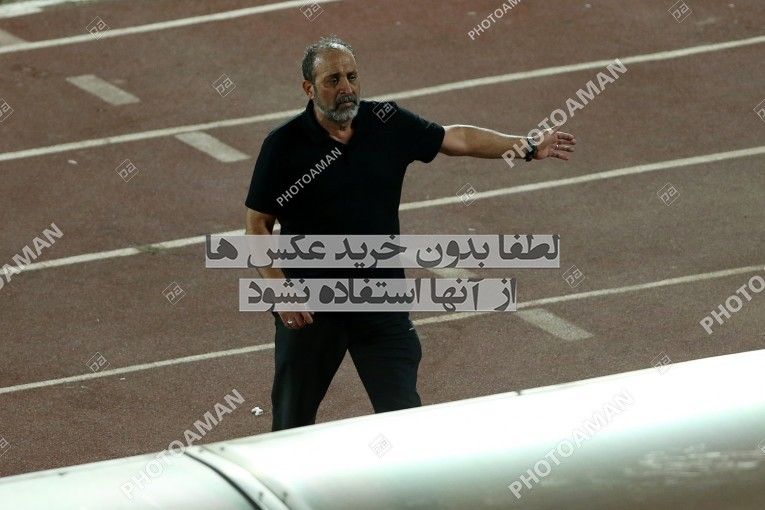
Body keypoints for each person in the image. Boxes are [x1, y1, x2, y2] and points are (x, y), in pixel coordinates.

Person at [245, 36, 576, 431]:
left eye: (352, 76)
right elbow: (257, 224)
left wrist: (527, 146)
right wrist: (280, 290)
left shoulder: (386, 123)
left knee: (403, 418)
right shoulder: (283, 145)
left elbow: (456, 138)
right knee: (292, 423)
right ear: (309, 88)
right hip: (313, 305)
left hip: (381, 299)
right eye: (333, 79)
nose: (346, 87)